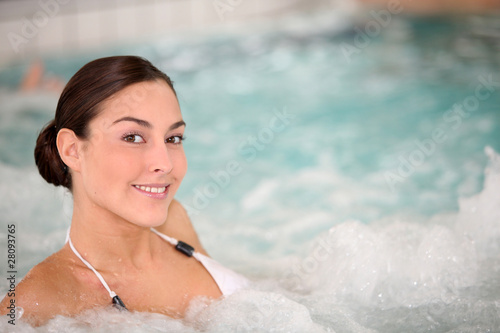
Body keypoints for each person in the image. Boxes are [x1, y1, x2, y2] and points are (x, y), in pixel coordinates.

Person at [0, 56, 248, 326]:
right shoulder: (38, 304)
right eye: (132, 137)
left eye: (173, 138)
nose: (164, 164)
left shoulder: (173, 224)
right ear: (72, 150)